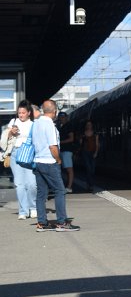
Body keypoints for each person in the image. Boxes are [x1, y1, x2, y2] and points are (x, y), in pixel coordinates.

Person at [32, 99, 78, 232]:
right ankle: (62, 222)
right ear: (54, 111)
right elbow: (53, 146)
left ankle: (42, 223)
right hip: (49, 162)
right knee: (60, 191)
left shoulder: (36, 123)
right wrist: (58, 159)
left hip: (38, 162)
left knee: (41, 194)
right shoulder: (50, 125)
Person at [3, 100, 38, 220]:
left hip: (28, 154)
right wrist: (10, 133)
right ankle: (23, 210)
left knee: (32, 184)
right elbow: (4, 138)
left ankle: (33, 208)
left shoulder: (34, 124)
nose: (21, 115)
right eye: (19, 113)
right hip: (15, 153)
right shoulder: (13, 122)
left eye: (23, 112)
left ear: (29, 113)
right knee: (19, 184)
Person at [57, 111, 76, 191]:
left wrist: (60, 142)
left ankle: (69, 187)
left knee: (69, 169)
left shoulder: (69, 126)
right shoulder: (60, 126)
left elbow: (71, 138)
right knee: (65, 169)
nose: (62, 119)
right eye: (60, 117)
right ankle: (67, 185)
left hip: (67, 150)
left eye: (63, 117)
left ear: (66, 118)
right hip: (62, 150)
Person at [79, 120, 100, 192]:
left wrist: (96, 152)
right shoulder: (83, 134)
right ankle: (90, 185)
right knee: (88, 168)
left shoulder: (95, 134)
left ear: (92, 125)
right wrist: (81, 139)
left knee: (92, 170)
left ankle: (89, 184)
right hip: (85, 152)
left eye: (90, 124)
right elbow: (80, 144)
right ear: (86, 126)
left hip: (93, 152)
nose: (89, 126)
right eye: (87, 125)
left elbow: (97, 144)